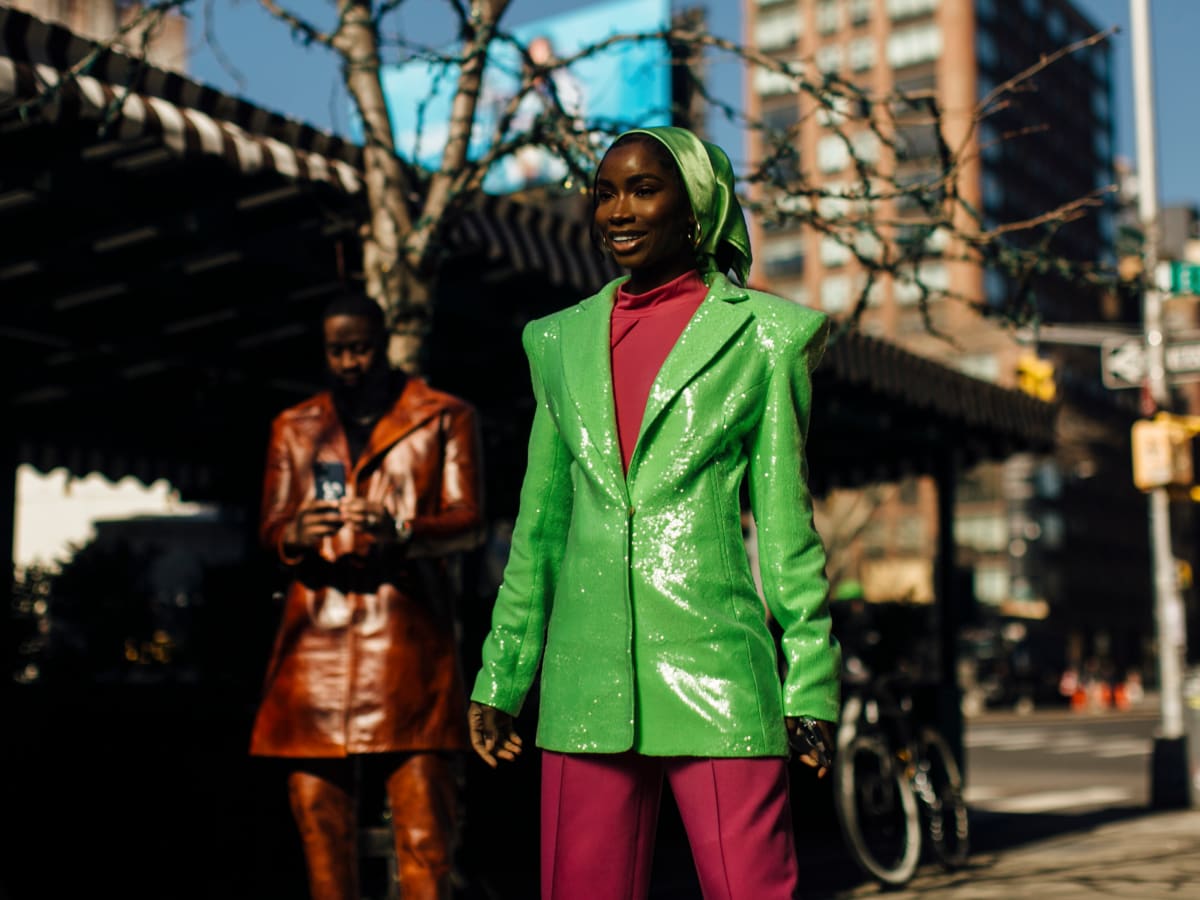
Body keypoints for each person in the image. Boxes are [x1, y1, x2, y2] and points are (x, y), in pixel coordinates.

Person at [467, 126, 841, 899]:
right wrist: (500, 677)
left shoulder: (768, 338)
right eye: (605, 192)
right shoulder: (558, 342)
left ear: (698, 207)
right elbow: (537, 531)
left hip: (717, 667)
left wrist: (810, 683)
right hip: (583, 679)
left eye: (644, 189)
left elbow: (786, 530)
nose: (619, 210)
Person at [249, 291, 485, 900]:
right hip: (314, 649)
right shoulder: (294, 426)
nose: (350, 362)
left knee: (425, 839)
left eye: (361, 348)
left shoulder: (442, 415)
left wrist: (401, 530)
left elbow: (469, 521)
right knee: (321, 837)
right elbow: (271, 529)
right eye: (338, 351)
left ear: (383, 345)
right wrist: (294, 532)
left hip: (407, 648)